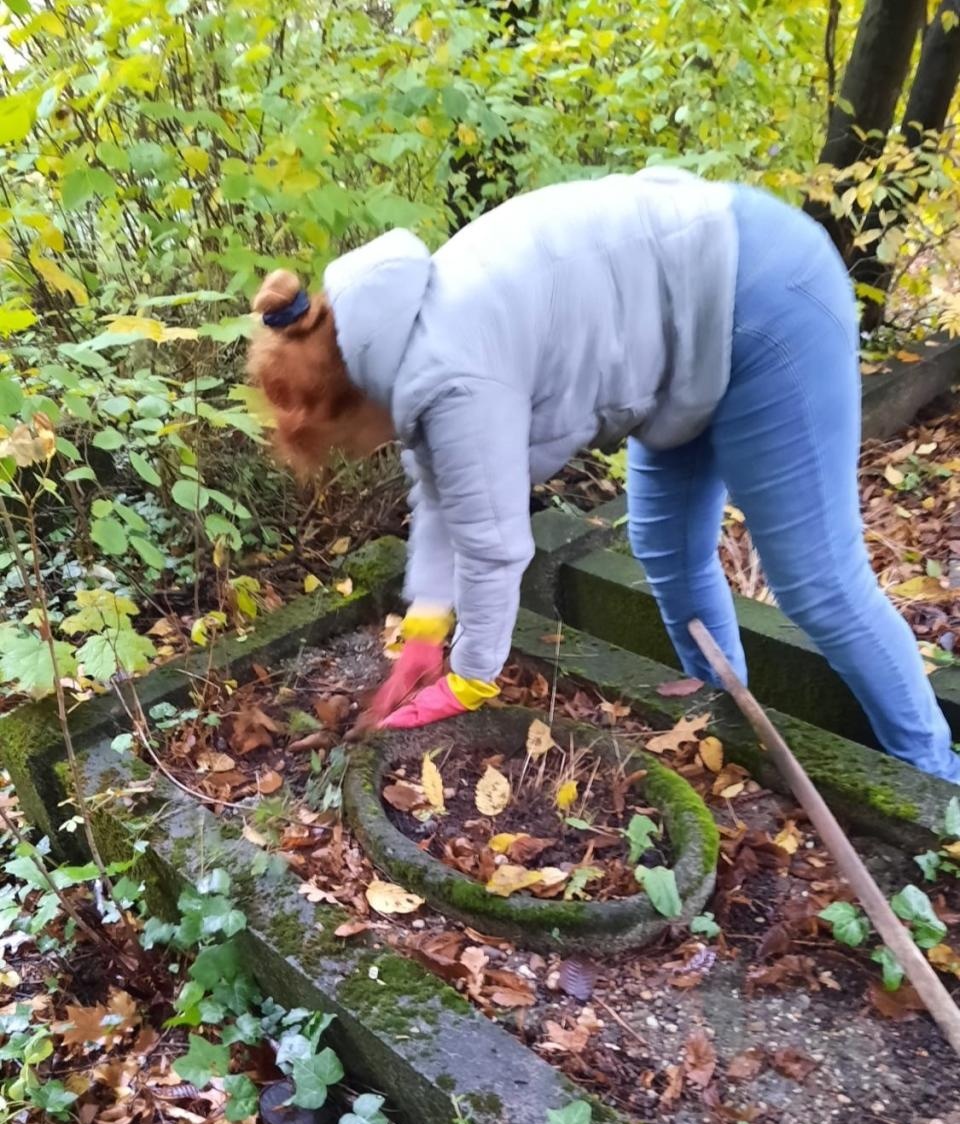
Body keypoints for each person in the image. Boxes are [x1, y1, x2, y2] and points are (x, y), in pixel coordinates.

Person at [247, 167, 960, 784]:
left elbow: (493, 546)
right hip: (684, 338)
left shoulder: (449, 371)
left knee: (816, 580)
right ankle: (727, 711)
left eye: (337, 444)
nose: (352, 455)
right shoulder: (398, 347)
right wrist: (427, 628)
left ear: (346, 401)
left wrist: (469, 679)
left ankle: (934, 785)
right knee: (665, 548)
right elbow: (441, 496)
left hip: (762, 297)